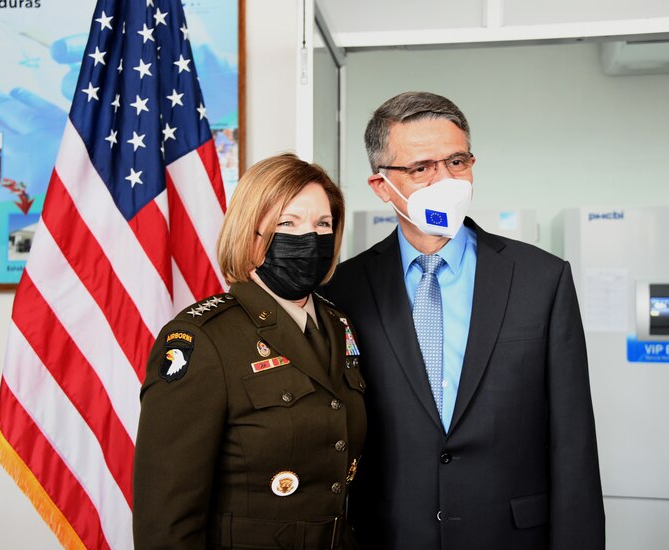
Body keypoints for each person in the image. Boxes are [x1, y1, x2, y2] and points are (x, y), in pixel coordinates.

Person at [321, 92, 605, 550]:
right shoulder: (344, 289)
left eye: (456, 161)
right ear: (381, 186)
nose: (445, 180)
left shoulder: (541, 279)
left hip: (511, 536)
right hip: (388, 535)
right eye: (421, 168)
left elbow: (573, 442)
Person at [133, 153, 366, 549]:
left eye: (322, 224)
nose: (310, 238)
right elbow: (166, 523)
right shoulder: (202, 337)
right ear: (249, 232)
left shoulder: (337, 323)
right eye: (287, 223)